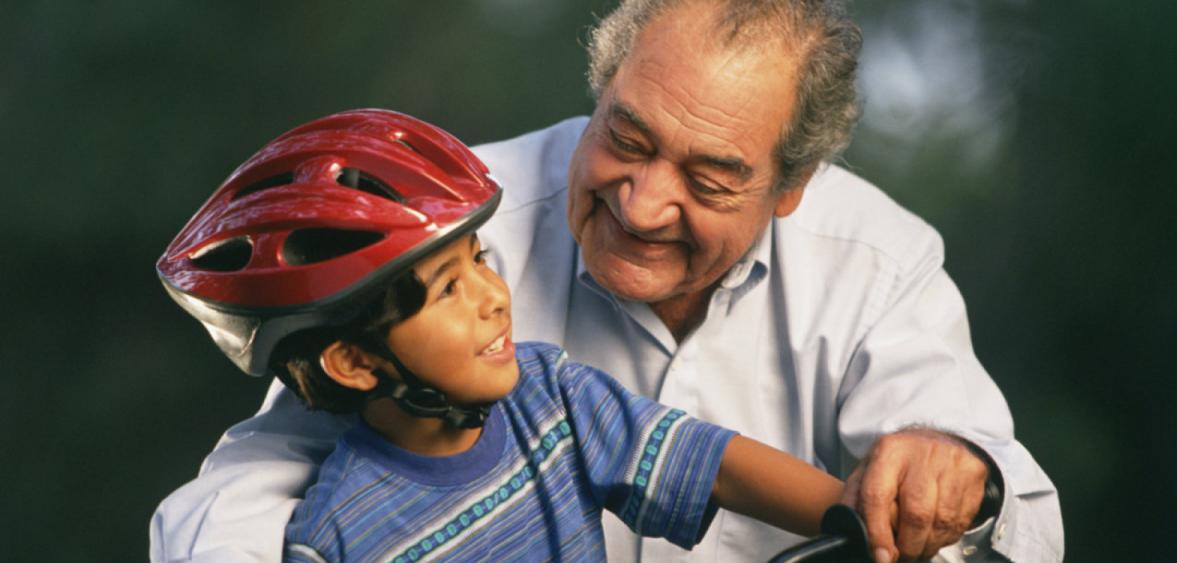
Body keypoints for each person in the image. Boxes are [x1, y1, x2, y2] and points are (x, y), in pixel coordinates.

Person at [151, 1, 1064, 562]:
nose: (644, 202)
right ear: (603, 88)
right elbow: (253, 476)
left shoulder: (879, 262)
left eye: (709, 180)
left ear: (791, 189)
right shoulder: (441, 224)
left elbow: (1014, 511)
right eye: (626, 138)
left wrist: (955, 475)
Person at [157, 109, 845, 562]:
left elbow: (708, 460)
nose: (492, 296)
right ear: (354, 361)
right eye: (451, 288)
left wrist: (850, 513)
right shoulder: (340, 536)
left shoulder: (549, 396)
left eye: (479, 260)